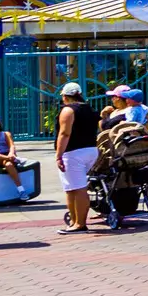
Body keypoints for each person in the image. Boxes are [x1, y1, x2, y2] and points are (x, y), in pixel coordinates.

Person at [53, 83, 100, 235]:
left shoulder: (68, 110)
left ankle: (79, 224)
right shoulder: (89, 108)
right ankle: (74, 221)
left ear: (65, 97)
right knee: (71, 188)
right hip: (91, 150)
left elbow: (64, 133)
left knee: (77, 189)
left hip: (74, 153)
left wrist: (59, 154)